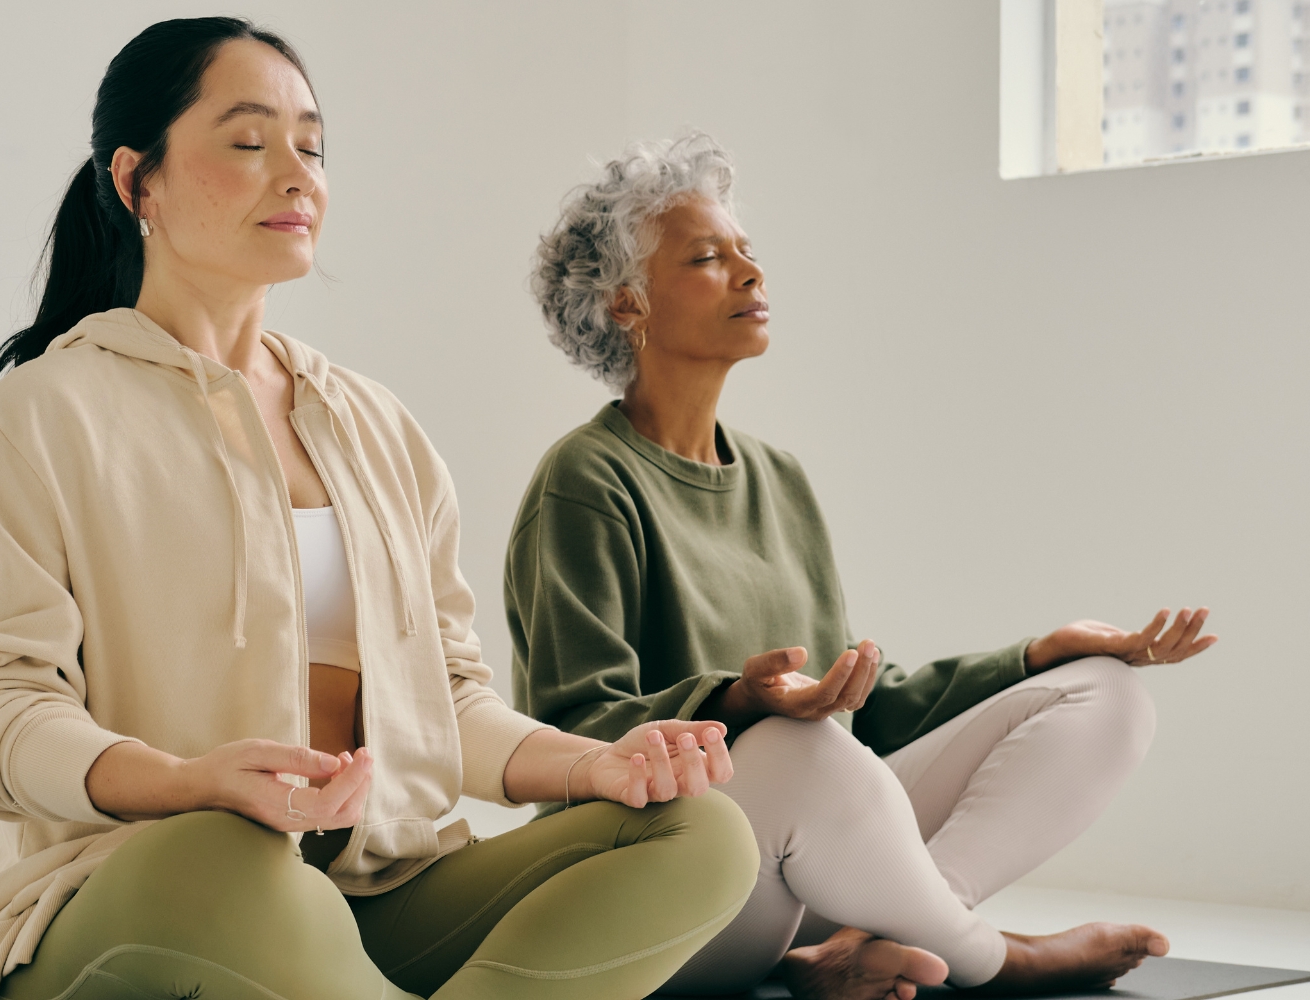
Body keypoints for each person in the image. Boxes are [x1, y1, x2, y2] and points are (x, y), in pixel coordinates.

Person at [0, 22, 760, 1000]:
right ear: (135, 182)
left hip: (376, 896)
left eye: (311, 146)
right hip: (140, 896)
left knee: (697, 830)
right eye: (247, 142)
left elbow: (447, 700)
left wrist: (598, 766)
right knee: (230, 858)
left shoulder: (374, 424)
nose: (294, 174)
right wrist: (187, 782)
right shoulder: (36, 419)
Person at [507, 133, 1219, 1000]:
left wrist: (1040, 655)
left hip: (814, 858)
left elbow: (866, 713)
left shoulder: (781, 480)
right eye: (706, 257)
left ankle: (877, 936)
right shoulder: (584, 482)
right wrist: (740, 702)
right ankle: (995, 959)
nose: (750, 274)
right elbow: (573, 729)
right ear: (627, 306)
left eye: (747, 252)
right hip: (672, 888)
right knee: (801, 749)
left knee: (1106, 693)